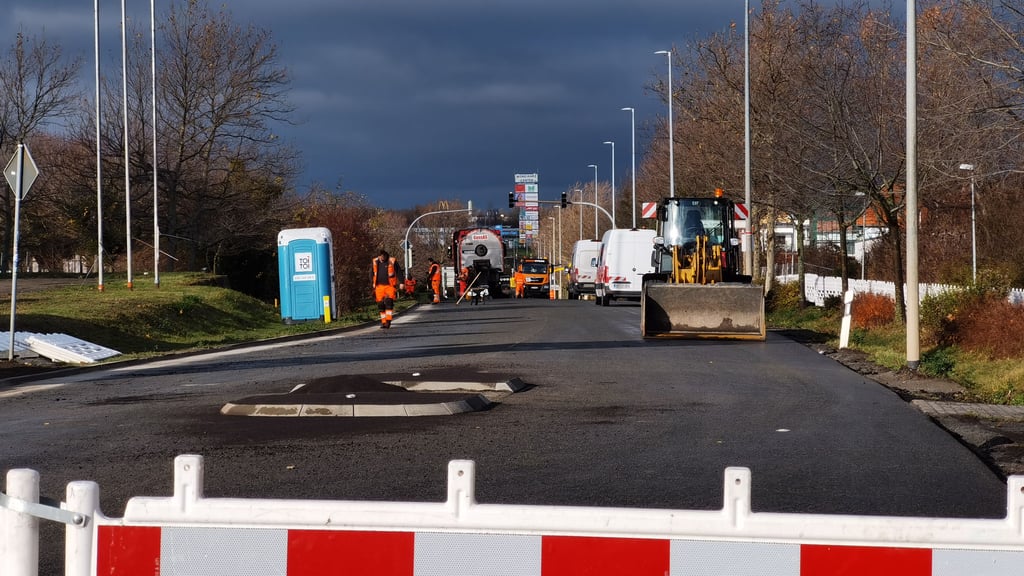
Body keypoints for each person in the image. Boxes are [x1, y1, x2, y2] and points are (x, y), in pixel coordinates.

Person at [371, 250, 398, 329]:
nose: (382, 258)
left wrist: (402, 282)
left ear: (386, 256)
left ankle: (388, 321)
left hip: (389, 286)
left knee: (389, 302)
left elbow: (399, 271)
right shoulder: (375, 262)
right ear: (379, 256)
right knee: (380, 305)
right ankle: (383, 321)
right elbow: (371, 273)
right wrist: (372, 283)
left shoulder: (392, 261)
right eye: (381, 256)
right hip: (379, 286)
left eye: (384, 256)